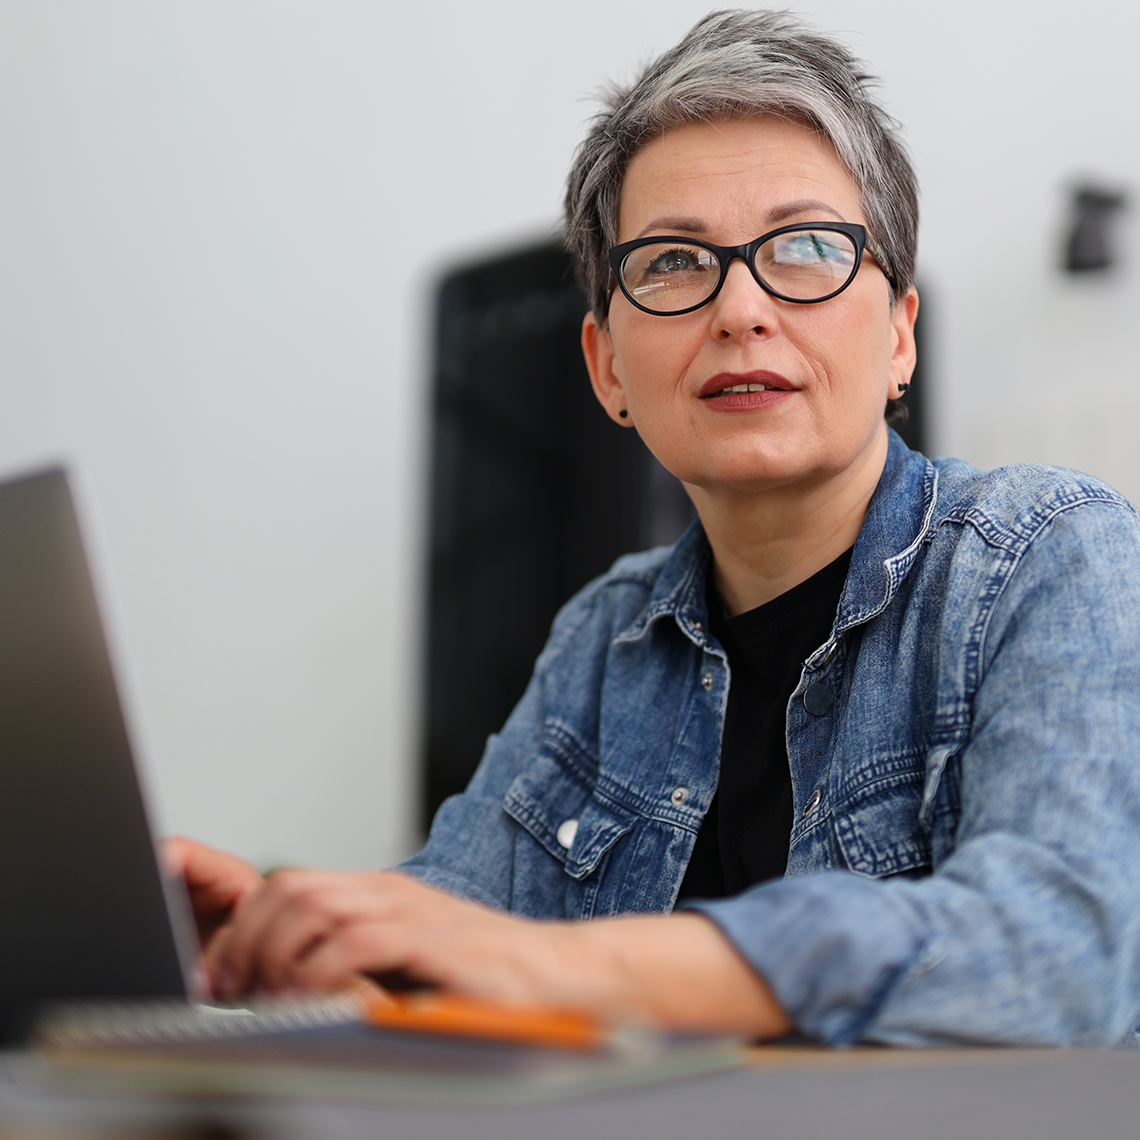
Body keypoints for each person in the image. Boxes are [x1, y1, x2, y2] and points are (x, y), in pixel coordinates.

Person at [170, 10, 1140, 1047]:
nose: (741, 309)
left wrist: (546, 966)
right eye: (675, 262)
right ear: (608, 369)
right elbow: (455, 918)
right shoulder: (606, 637)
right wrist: (288, 921)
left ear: (901, 336)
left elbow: (1061, 954)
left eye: (806, 248)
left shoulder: (1051, 553)